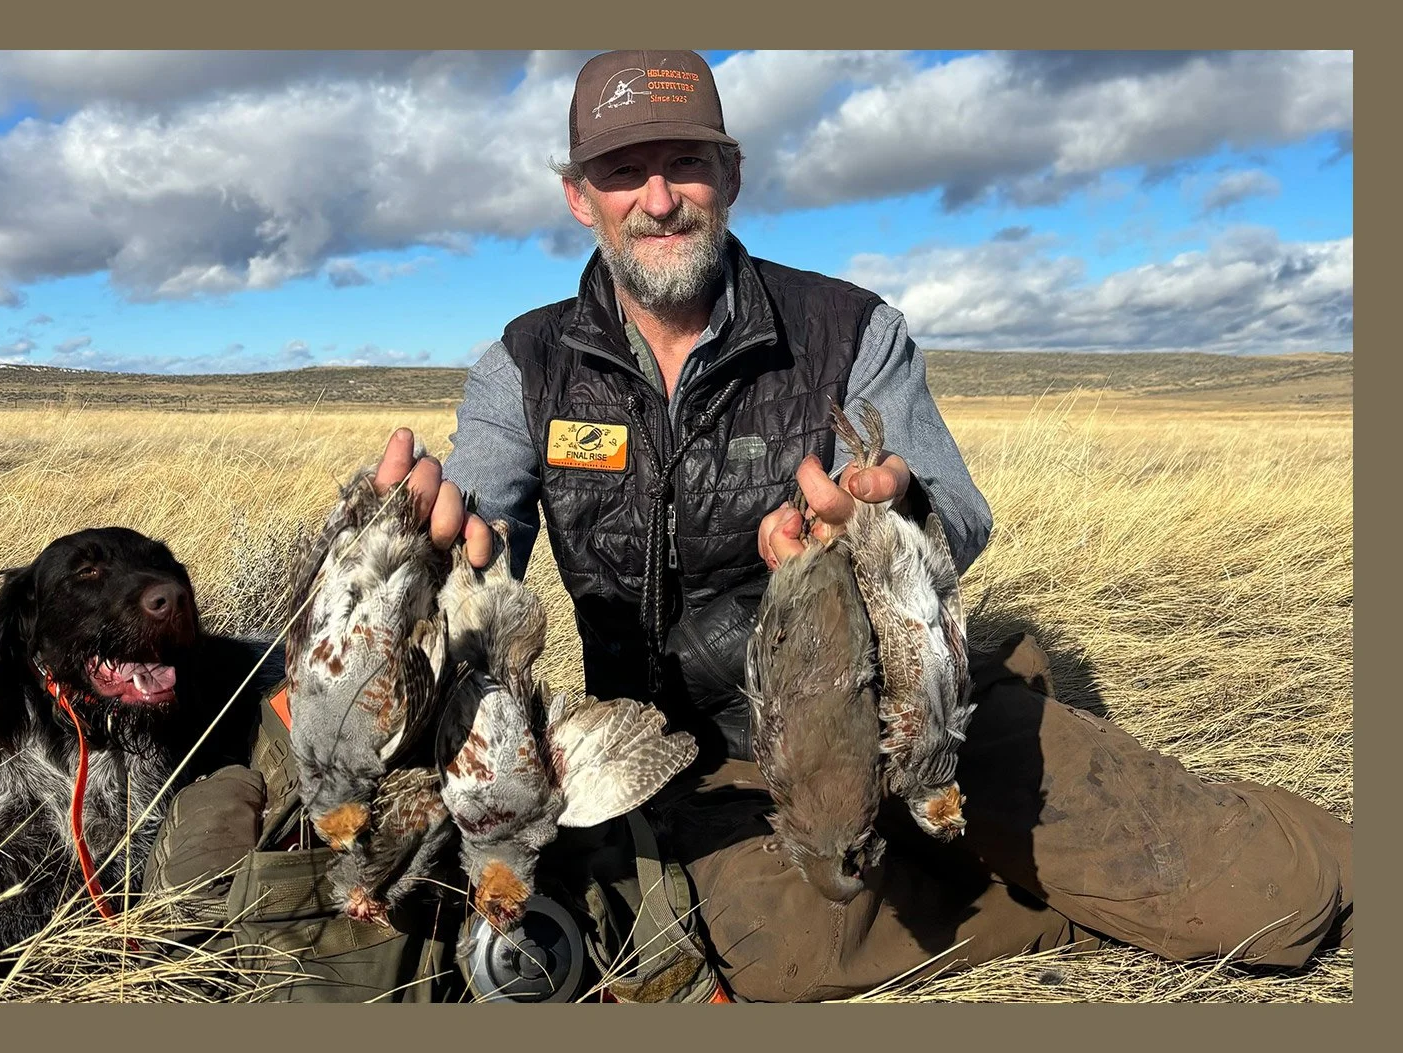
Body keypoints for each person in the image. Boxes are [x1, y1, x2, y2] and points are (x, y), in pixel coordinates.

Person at [364, 49, 1353, 1001]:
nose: (658, 199)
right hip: (698, 762)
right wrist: (437, 549)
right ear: (580, 196)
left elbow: (952, 510)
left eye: (686, 163)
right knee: (770, 947)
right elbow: (481, 533)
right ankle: (1033, 894)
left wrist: (884, 524)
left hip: (904, 708)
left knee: (1269, 896)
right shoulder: (526, 365)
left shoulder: (848, 329)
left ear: (730, 175)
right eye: (624, 171)